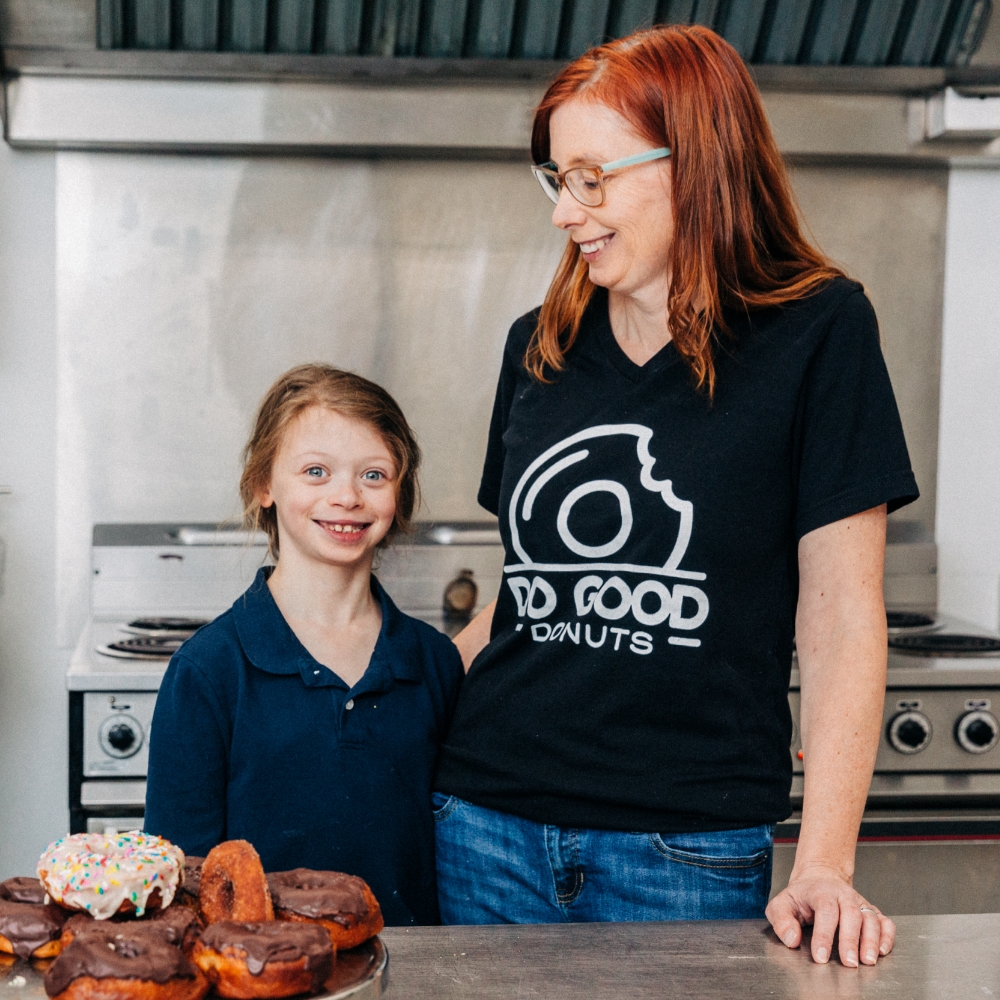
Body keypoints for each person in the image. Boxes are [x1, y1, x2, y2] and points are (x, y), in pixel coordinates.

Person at [433, 25, 916, 968]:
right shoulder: (540, 343)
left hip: (683, 843)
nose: (566, 211)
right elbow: (522, 598)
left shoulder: (819, 333)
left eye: (591, 176)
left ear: (693, 160)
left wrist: (823, 862)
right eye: (556, 179)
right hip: (483, 820)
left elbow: (843, 613)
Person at [144, 364, 464, 926]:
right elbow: (180, 881)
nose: (346, 497)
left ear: (399, 494)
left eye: (374, 475)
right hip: (261, 977)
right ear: (263, 485)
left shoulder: (432, 662)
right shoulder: (207, 671)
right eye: (316, 471)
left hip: (413, 973)